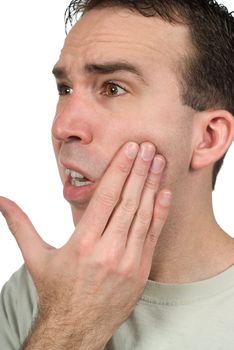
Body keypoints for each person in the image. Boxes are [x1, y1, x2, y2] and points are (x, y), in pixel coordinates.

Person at [0, 0, 234, 348]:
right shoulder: (37, 292)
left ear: (208, 138)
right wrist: (70, 322)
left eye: (113, 88)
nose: (63, 127)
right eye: (65, 89)